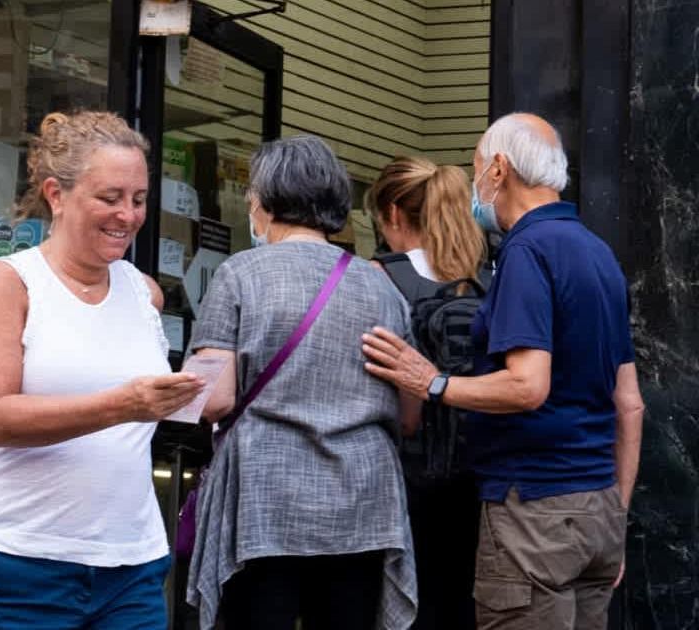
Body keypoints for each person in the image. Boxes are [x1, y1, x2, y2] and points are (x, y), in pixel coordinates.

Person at [363, 112, 645, 630]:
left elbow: (527, 384)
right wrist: (615, 516)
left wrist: (434, 383)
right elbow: (629, 402)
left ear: (498, 169)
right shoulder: (600, 254)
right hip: (598, 510)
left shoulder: (527, 251)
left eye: (475, 167)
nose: (474, 184)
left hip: (534, 512)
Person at [0, 110, 203, 629]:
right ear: (56, 196)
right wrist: (123, 405)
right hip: (16, 566)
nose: (127, 216)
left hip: (131, 565)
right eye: (109, 198)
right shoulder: (9, 283)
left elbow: (151, 407)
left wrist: (202, 392)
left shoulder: (143, 292)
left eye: (137, 200)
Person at [186, 134, 419, 630]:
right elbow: (409, 413)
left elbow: (215, 398)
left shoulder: (239, 274)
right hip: (363, 500)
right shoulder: (383, 287)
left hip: (265, 500)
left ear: (267, 201)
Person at [365, 156, 489, 630]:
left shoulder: (381, 276)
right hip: (480, 482)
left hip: (406, 482)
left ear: (394, 214)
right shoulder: (488, 279)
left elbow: (399, 410)